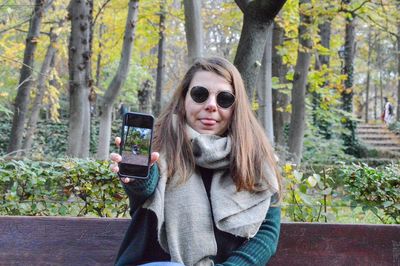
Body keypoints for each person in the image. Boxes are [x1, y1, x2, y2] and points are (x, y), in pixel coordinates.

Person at [110, 57, 282, 266]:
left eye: (224, 99)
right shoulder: (159, 146)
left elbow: (266, 235)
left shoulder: (256, 160)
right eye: (200, 95)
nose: (211, 105)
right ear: (184, 99)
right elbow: (144, 190)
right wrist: (137, 176)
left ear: (236, 107)